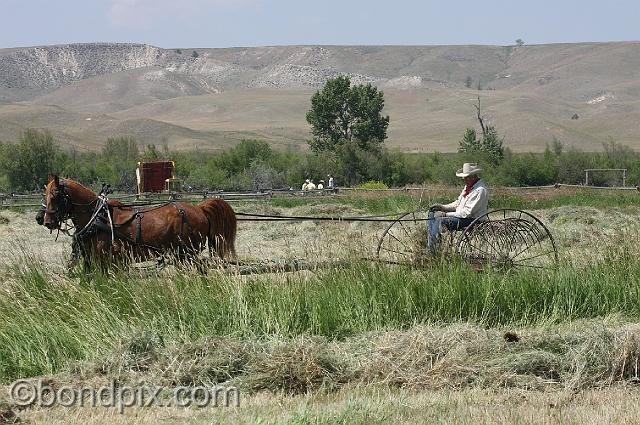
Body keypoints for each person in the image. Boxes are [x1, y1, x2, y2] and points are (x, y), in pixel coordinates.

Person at [427, 163, 489, 254]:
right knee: (432, 213)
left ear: (473, 177)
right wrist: (442, 207)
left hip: (472, 220)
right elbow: (458, 204)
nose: (464, 179)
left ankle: (433, 250)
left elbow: (466, 213)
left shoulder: (480, 190)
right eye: (464, 177)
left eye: (466, 177)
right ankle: (431, 244)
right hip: (462, 217)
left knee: (441, 220)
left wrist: (445, 214)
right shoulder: (468, 187)